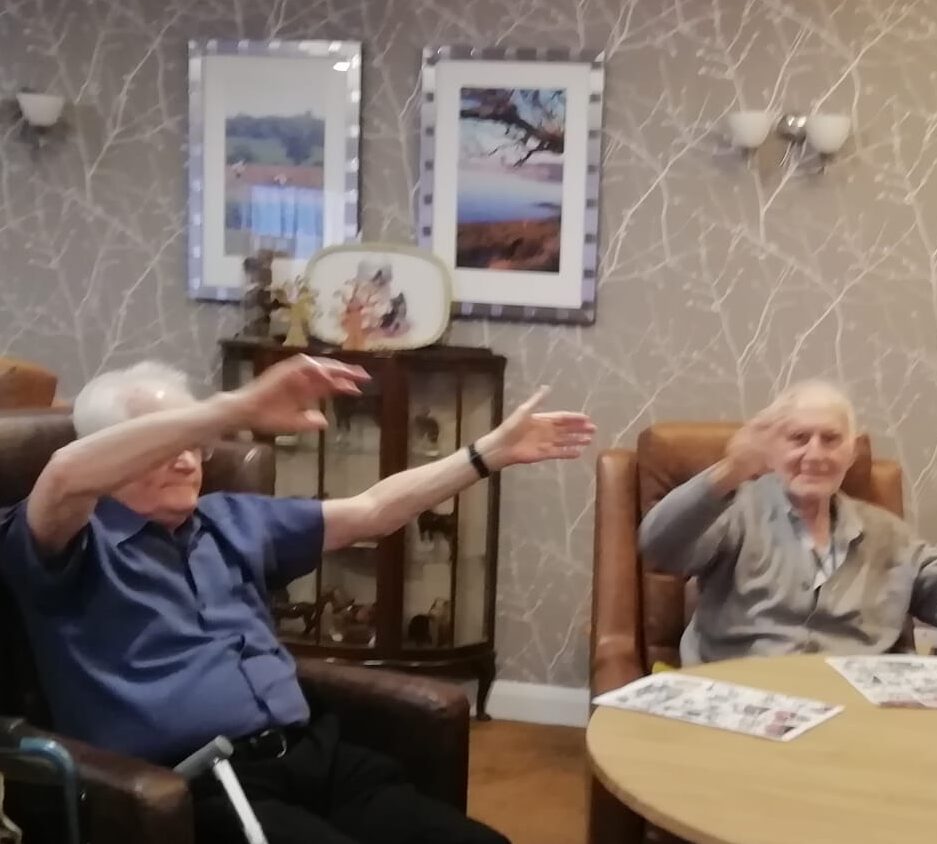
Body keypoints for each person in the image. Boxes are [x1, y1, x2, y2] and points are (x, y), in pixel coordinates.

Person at [0, 357, 595, 844]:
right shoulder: (62, 541)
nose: (187, 458)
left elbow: (371, 512)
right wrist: (232, 407)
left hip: (314, 753)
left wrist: (485, 453)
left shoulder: (230, 519)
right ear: (113, 453)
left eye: (198, 442)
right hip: (207, 778)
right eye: (166, 443)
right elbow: (64, 475)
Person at [638, 380, 937, 664]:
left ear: (852, 450)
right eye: (798, 437)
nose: (814, 453)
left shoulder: (887, 535)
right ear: (771, 447)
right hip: (742, 708)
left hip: (857, 721)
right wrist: (729, 471)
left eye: (831, 439)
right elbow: (659, 549)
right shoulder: (736, 510)